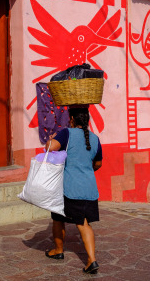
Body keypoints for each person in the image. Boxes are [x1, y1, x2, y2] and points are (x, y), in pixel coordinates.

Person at [44, 106, 103, 274]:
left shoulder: (66, 133)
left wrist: (51, 139)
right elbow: (98, 164)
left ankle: (58, 250)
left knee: (58, 217)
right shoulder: (95, 138)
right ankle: (92, 259)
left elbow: (50, 147)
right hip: (89, 188)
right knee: (84, 223)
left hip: (69, 187)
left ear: (71, 120)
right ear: (87, 121)